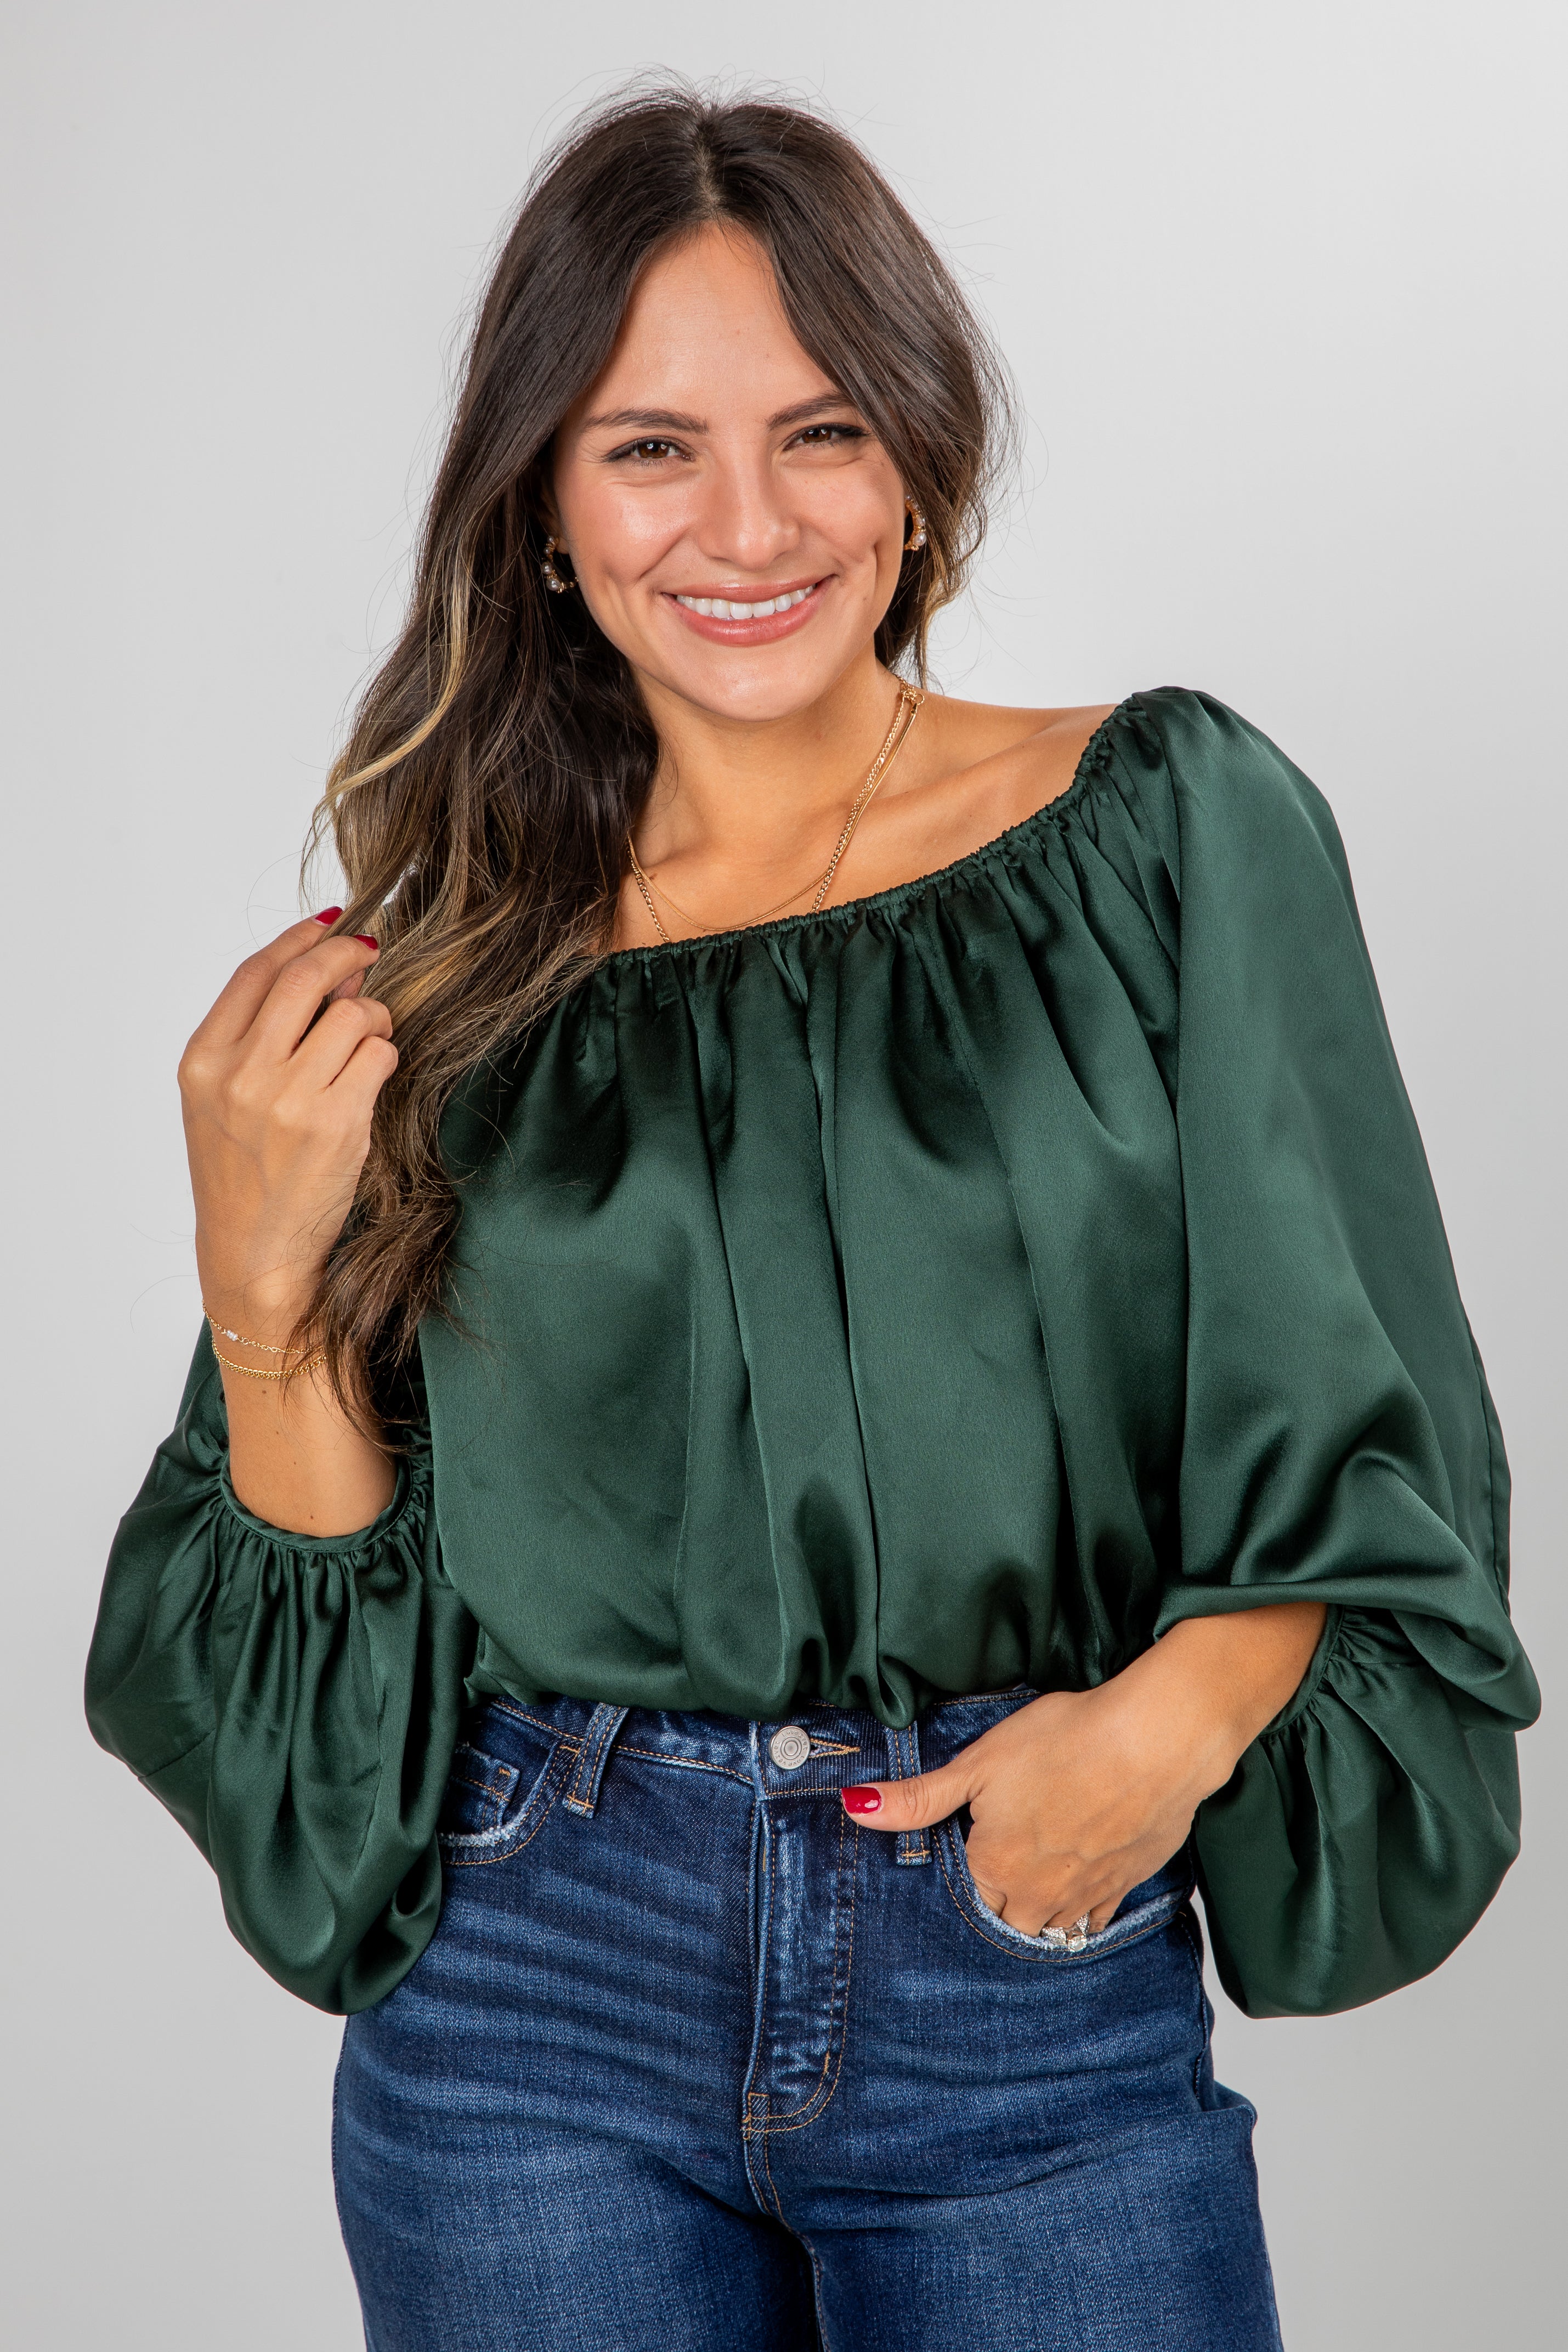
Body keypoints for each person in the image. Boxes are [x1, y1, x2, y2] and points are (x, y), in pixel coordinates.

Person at [86, 86, 1538, 2352]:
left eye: (824, 429)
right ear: (544, 510)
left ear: (918, 462)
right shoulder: (453, 971)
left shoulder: (1165, 826)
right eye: (648, 445)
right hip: (524, 1996)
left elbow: (1372, 1434)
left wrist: (1146, 1740)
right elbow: (319, 1712)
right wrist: (259, 1301)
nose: (744, 522)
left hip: (1011, 1956)